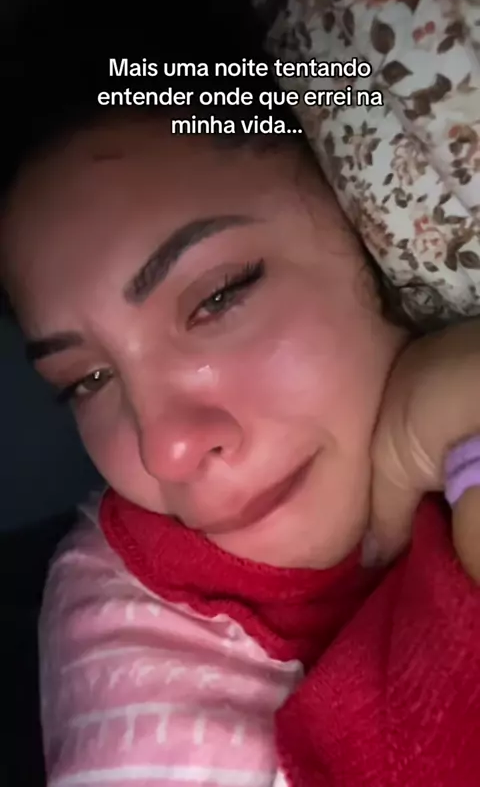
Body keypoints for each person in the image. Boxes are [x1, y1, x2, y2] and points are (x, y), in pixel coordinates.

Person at [1, 79, 479, 787]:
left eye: (218, 296)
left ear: (371, 225)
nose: (165, 451)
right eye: (87, 380)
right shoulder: (137, 696)